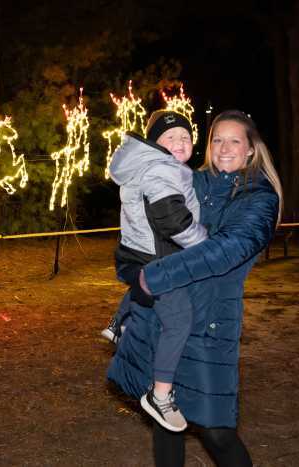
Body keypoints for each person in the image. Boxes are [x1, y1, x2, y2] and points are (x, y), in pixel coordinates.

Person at [108, 110, 282, 467]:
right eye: (217, 139)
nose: (224, 148)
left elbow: (224, 252)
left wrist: (151, 278)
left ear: (251, 148)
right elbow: (148, 222)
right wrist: (132, 264)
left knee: (217, 430)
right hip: (168, 312)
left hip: (210, 322)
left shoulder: (259, 199)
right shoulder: (193, 180)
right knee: (165, 418)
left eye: (234, 140)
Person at [104, 110, 208, 432]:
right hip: (157, 258)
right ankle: (160, 394)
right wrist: (204, 242)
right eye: (170, 137)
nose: (180, 142)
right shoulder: (161, 168)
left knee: (143, 292)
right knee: (179, 321)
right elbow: (171, 219)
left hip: (138, 252)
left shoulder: (152, 165)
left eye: (185, 137)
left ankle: (119, 322)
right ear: (155, 144)